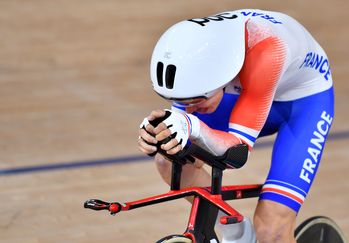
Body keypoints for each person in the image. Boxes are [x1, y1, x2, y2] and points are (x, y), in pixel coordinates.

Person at [138, 9, 334, 243]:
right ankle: (235, 229)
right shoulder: (194, 55)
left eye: (196, 101)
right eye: (182, 101)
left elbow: (235, 156)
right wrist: (158, 134)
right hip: (251, 91)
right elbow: (182, 131)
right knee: (169, 161)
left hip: (303, 105)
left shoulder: (268, 51)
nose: (189, 109)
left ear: (220, 76)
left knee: (272, 230)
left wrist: (192, 126)